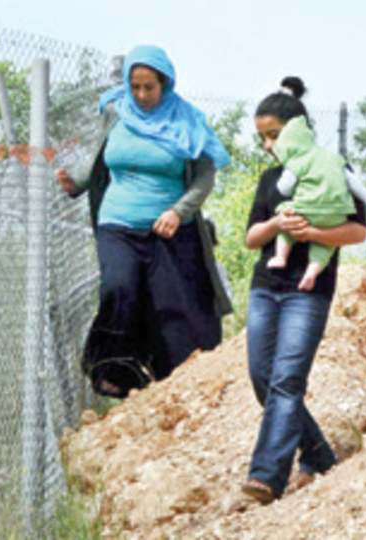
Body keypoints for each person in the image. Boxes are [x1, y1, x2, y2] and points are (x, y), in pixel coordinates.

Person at [55, 44, 233, 398]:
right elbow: (103, 159)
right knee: (118, 288)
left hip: (167, 228)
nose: (141, 95)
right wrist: (77, 182)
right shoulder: (116, 111)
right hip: (116, 221)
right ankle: (114, 371)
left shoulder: (187, 121)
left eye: (149, 87)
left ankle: (176, 384)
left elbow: (203, 177)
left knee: (169, 307)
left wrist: (177, 211)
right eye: (134, 86)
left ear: (164, 84)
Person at [241, 77, 366, 505]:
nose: (268, 145)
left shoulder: (335, 169)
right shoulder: (272, 179)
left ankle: (265, 478)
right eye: (262, 137)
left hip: (308, 293)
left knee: (288, 379)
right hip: (266, 287)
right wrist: (278, 224)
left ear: (296, 130)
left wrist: (312, 231)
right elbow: (251, 238)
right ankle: (318, 454)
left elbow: (357, 231)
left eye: (273, 135)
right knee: (264, 378)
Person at [264, 83, 366, 291]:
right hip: (331, 220)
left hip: (307, 291)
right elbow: (358, 188)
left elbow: (283, 189)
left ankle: (281, 256)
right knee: (323, 249)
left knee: (286, 218)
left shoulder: (296, 164)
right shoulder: (335, 162)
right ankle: (312, 272)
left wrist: (304, 230)